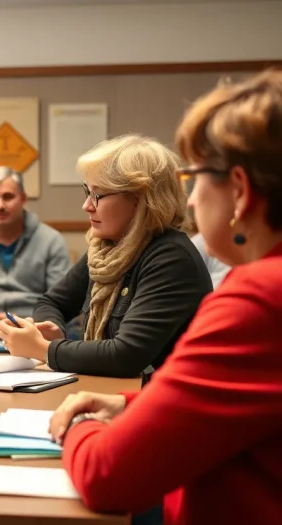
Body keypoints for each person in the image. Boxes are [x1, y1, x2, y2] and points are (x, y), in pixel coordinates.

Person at [47, 70, 282, 525]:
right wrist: (131, 405)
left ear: (240, 190)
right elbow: (238, 406)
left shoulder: (259, 298)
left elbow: (106, 476)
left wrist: (79, 427)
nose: (189, 202)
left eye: (194, 180)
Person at [0, 134, 213, 383]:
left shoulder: (171, 258)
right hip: (120, 391)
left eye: (98, 195)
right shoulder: (106, 248)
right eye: (86, 192)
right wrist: (51, 327)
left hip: (167, 402)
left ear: (140, 199)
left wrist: (42, 350)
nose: (87, 206)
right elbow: (53, 302)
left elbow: (126, 355)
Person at [0, 166, 73, 339]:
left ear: (24, 198)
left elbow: (61, 299)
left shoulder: (52, 240)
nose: (0, 205)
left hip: (39, 328)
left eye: (8, 197)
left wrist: (29, 324)